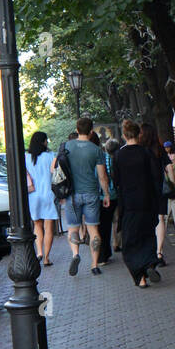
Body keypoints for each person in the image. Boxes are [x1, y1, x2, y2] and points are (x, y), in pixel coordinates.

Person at [110, 118, 162, 287]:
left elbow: (115, 180)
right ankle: (149, 264)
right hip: (147, 201)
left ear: (124, 136)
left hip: (129, 204)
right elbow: (157, 177)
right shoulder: (147, 153)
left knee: (131, 240)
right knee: (147, 236)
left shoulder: (118, 155)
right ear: (139, 134)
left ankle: (140, 278)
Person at [62, 117, 112, 276]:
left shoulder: (66, 147)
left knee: (73, 228)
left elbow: (54, 169)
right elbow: (102, 175)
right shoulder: (96, 150)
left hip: (72, 194)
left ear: (77, 130)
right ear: (91, 132)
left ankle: (75, 254)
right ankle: (94, 265)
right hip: (91, 193)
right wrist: (106, 194)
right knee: (93, 229)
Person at [25, 131, 59, 265]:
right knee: (48, 227)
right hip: (48, 194)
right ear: (44, 142)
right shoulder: (51, 156)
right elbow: (55, 174)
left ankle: (39, 252)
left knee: (37, 225)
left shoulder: (26, 157)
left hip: (33, 195)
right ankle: (46, 258)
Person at [139, 123, 170, 266]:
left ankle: (149, 253)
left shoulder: (139, 150)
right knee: (160, 219)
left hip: (145, 189)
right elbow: (169, 167)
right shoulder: (159, 149)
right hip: (160, 189)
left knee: (147, 220)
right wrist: (172, 185)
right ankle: (159, 252)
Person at [97, 138, 118, 263]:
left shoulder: (101, 158)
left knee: (102, 225)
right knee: (114, 221)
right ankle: (115, 243)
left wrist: (105, 194)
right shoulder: (115, 158)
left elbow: (101, 176)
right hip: (114, 194)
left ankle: (103, 254)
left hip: (102, 195)